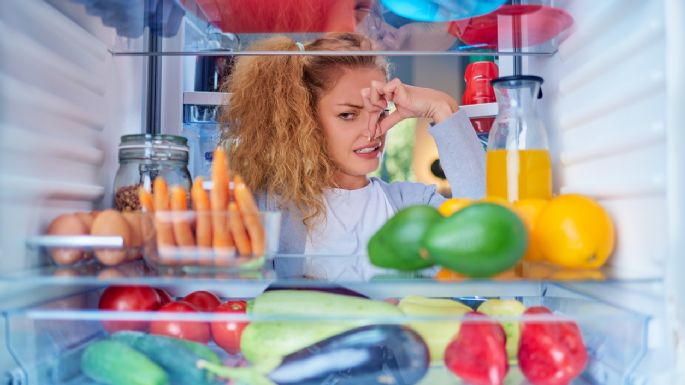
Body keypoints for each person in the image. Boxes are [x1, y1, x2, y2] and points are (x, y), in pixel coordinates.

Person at [220, 33, 485, 278]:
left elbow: (487, 232)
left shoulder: (412, 204)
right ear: (304, 119)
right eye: (348, 115)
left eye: (381, 113)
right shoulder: (268, 205)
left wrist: (439, 106)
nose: (373, 131)